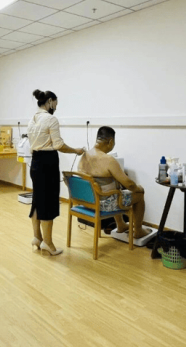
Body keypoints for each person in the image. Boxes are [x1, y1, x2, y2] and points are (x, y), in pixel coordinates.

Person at [27, 89, 84, 256]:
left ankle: (37, 237)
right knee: (48, 202)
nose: (56, 108)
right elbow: (58, 145)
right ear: (50, 101)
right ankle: (48, 243)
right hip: (47, 164)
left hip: (35, 163)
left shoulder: (32, 119)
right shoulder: (51, 119)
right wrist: (76, 150)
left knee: (37, 200)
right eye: (55, 104)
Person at [77, 126, 151, 239]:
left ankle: (121, 225)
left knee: (114, 190)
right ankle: (138, 231)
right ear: (110, 141)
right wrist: (138, 188)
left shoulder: (84, 156)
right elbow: (129, 184)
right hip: (103, 205)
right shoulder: (109, 160)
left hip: (86, 202)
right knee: (138, 195)